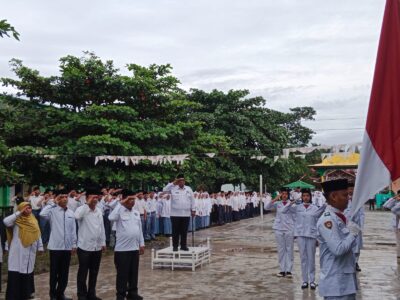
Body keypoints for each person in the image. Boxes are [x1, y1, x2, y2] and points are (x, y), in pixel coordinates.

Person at [317, 179, 360, 300]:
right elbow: (338, 249)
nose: (348, 198)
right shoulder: (328, 220)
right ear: (333, 196)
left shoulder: (341, 217)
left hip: (345, 282)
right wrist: (353, 234)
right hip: (335, 284)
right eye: (345, 195)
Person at [283, 188, 326, 289]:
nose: (306, 198)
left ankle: (312, 281)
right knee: (303, 259)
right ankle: (304, 281)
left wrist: (318, 237)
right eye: (304, 196)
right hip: (301, 235)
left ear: (310, 197)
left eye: (307, 196)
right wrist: (293, 200)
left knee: (311, 259)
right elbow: (284, 210)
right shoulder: (297, 207)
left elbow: (319, 222)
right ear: (301, 197)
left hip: (311, 235)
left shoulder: (315, 208)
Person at [109, 191, 145, 300]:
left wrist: (141, 244)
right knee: (122, 274)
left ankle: (132, 293)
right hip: (122, 250)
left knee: (133, 273)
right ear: (124, 200)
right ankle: (120, 295)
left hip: (134, 248)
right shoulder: (119, 210)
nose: (132, 202)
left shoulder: (136, 212)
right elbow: (111, 217)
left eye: (133, 199)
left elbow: (139, 229)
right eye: (130, 199)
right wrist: (121, 203)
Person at [4, 202, 43, 300]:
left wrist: (40, 247)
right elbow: (6, 221)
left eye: (29, 208)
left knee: (26, 272)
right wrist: (19, 212)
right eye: (26, 207)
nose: (28, 209)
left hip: (30, 251)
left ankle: (25, 295)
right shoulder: (16, 219)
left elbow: (38, 233)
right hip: (17, 252)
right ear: (21, 208)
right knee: (15, 272)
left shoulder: (33, 219)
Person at [40, 193, 77, 300]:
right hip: (55, 247)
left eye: (66, 197)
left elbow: (73, 229)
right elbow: (42, 214)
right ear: (58, 199)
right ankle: (53, 295)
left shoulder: (71, 212)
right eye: (62, 197)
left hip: (67, 247)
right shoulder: (52, 211)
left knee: (64, 273)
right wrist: (53, 202)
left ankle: (61, 293)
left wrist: (74, 244)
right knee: (54, 272)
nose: (65, 199)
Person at [75, 194, 106, 300]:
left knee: (94, 271)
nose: (95, 200)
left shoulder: (98, 210)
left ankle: (91, 293)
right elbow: (77, 216)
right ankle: (81, 295)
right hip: (84, 246)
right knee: (83, 271)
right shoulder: (81, 209)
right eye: (93, 197)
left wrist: (103, 242)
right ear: (87, 198)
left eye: (96, 198)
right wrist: (86, 204)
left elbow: (101, 227)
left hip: (96, 247)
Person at [265, 187, 296, 278]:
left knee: (289, 249)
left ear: (288, 195)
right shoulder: (277, 204)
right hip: (278, 228)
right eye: (282, 194)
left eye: (286, 194)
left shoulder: (292, 205)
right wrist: (275, 198)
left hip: (289, 228)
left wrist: (296, 231)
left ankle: (289, 270)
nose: (284, 195)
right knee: (281, 250)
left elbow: (295, 217)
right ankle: (282, 270)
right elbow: (266, 207)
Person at [163, 174, 195, 251]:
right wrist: (173, 183)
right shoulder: (173, 188)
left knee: (184, 231)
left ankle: (183, 245)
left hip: (186, 214)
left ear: (184, 181)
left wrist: (193, 210)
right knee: (175, 231)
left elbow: (192, 200)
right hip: (175, 214)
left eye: (183, 180)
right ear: (177, 181)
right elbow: (164, 190)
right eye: (180, 181)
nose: (182, 182)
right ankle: (175, 246)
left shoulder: (188, 189)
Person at [344, 182, 365, 272]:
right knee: (348, 246)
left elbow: (362, 214)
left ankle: (356, 262)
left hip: (356, 226)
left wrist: (361, 226)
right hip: (346, 227)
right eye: (349, 189)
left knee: (357, 247)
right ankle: (347, 263)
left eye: (352, 189)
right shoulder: (343, 200)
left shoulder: (358, 200)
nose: (351, 191)